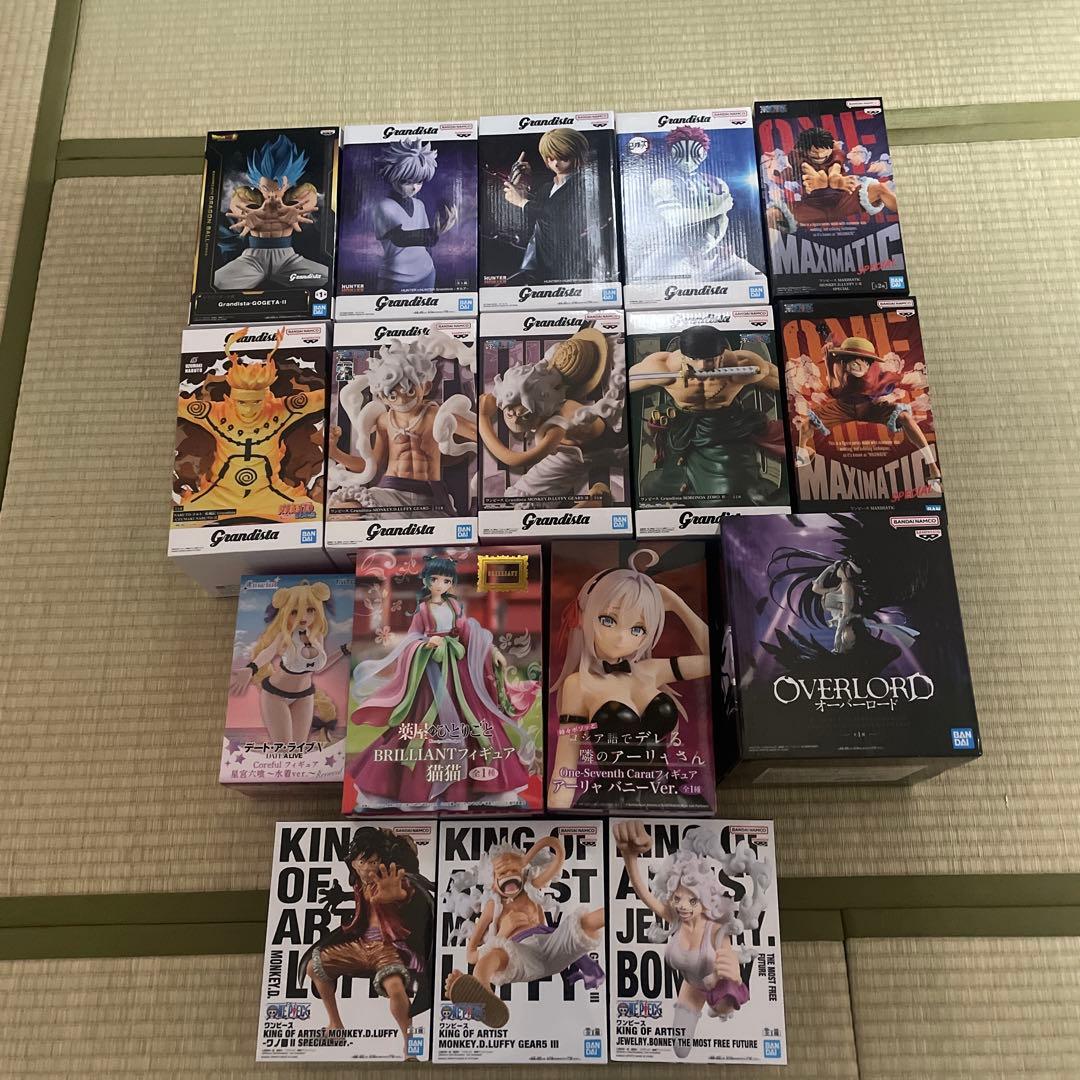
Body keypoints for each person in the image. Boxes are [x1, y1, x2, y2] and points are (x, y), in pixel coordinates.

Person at [346, 556, 538, 811]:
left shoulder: (455, 607)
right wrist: (426, 644)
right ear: (427, 581)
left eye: (446, 580)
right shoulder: (423, 610)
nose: (440, 584)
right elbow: (411, 639)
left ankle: (490, 789)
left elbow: (470, 633)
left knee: (474, 721)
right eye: (435, 579)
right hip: (431, 673)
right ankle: (411, 791)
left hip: (459, 673)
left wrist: (492, 651)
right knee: (422, 725)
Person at [548, 549, 711, 809]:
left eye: (638, 628)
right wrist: (558, 822)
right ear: (586, 616)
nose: (622, 637)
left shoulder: (651, 670)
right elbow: (565, 768)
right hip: (614, 800)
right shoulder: (578, 685)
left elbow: (716, 658)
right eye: (608, 620)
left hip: (668, 796)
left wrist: (677, 604)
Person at [614, 821, 771, 1059]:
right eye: (677, 898)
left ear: (706, 899)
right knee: (680, 1048)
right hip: (691, 989)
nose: (683, 906)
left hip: (719, 992)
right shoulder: (676, 918)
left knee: (723, 1012)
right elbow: (643, 893)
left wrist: (734, 976)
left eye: (692, 901)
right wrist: (629, 857)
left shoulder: (716, 929)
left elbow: (730, 966)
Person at [302, 827, 435, 1060]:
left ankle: (410, 1045)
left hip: (388, 947)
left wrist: (398, 895)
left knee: (395, 988)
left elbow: (406, 894)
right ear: (354, 863)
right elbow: (363, 905)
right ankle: (336, 1025)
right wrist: (340, 897)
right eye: (362, 862)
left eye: (373, 862)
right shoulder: (359, 884)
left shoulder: (390, 880)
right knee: (314, 967)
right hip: (361, 946)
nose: (368, 868)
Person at [444, 836, 604, 1028]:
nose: (509, 875)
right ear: (492, 881)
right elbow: (471, 955)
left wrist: (527, 858)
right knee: (490, 958)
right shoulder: (493, 906)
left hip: (550, 945)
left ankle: (611, 912)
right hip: (521, 954)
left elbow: (557, 852)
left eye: (514, 870)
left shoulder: (530, 890)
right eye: (503, 872)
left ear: (523, 871)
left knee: (582, 924)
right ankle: (483, 993)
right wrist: (504, 932)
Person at [175, 326, 325, 521]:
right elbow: (180, 406)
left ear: (265, 398)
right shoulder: (216, 413)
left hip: (272, 495)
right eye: (242, 403)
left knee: (320, 516)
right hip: (219, 496)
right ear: (233, 399)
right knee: (181, 521)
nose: (248, 410)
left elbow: (321, 398)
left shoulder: (280, 410)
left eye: (256, 402)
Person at [628, 324, 786, 505]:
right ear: (684, 356)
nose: (702, 366)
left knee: (729, 495)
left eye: (710, 360)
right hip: (681, 431)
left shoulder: (741, 365)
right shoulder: (664, 368)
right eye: (694, 359)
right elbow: (623, 383)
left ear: (722, 354)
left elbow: (781, 381)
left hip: (722, 431)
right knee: (654, 488)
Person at [329, 332, 476, 516]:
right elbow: (372, 465)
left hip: (430, 496)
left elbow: (476, 434)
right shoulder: (384, 421)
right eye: (392, 394)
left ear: (426, 387)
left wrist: (480, 427)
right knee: (343, 511)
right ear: (381, 395)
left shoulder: (435, 415)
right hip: (391, 492)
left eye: (409, 390)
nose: (401, 399)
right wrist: (334, 452)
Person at [478, 327, 626, 504]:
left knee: (525, 502)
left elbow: (514, 460)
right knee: (523, 498)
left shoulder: (559, 422)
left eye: (520, 413)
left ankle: (595, 503)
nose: (512, 414)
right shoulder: (545, 388)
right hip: (574, 451)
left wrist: (483, 418)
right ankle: (597, 500)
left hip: (604, 450)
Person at [793, 335, 941, 491]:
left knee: (905, 417)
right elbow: (835, 391)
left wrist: (918, 380)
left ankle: (932, 466)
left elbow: (904, 381)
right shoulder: (837, 364)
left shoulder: (881, 377)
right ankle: (804, 451)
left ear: (869, 362)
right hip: (842, 407)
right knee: (806, 424)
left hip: (869, 407)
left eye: (861, 359)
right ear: (844, 359)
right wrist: (829, 363)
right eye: (850, 358)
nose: (855, 363)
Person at [229, 580, 349, 742]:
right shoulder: (284, 636)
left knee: (298, 749)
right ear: (286, 613)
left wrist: (344, 650)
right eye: (294, 612)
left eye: (310, 610)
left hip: (304, 695)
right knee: (283, 748)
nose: (303, 617)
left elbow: (319, 668)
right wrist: (251, 668)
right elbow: (269, 652)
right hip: (275, 695)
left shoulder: (317, 636)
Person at [214, 134, 329, 290]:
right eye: (265, 188)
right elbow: (237, 206)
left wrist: (297, 211)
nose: (271, 194)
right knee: (218, 282)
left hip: (288, 259)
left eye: (279, 187)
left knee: (325, 278)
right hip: (252, 258)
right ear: (258, 184)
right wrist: (250, 215)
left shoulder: (300, 195)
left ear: (289, 184)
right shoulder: (245, 196)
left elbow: (310, 197)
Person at [501, 127, 607, 284]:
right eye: (550, 158)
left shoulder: (586, 183)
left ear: (578, 155)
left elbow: (558, 214)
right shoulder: (548, 187)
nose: (556, 163)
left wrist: (522, 202)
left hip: (568, 262)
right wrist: (524, 184)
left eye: (563, 158)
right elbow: (540, 210)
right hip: (539, 257)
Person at [371, 138, 459, 293]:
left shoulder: (419, 205)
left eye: (419, 182)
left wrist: (435, 233)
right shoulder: (383, 206)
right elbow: (400, 238)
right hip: (396, 278)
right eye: (407, 182)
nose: (414, 188)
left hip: (427, 272)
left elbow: (426, 244)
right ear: (392, 176)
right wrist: (434, 232)